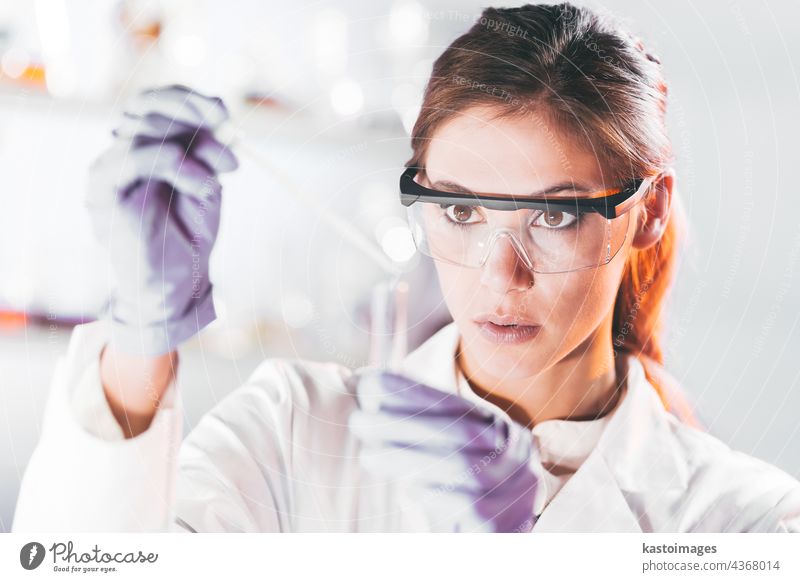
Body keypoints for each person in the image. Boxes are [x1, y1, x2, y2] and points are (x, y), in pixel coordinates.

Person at [12, 3, 800, 533]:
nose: (501, 276)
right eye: (460, 210)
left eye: (554, 214)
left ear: (649, 211)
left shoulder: (746, 520)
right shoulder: (291, 432)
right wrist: (138, 341)